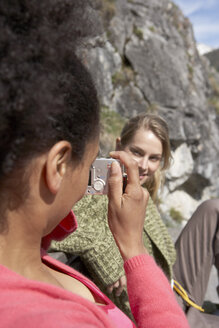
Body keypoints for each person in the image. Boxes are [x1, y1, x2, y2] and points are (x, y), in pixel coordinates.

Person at [0, 1, 189, 327]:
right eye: (89, 164)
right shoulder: (50, 318)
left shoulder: (31, 255)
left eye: (155, 158)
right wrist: (134, 250)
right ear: (58, 165)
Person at [51, 113, 219, 327]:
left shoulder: (141, 193)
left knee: (214, 209)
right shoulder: (92, 192)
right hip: (151, 306)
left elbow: (168, 257)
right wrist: (101, 248)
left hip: (170, 283)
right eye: (136, 152)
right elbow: (51, 228)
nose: (143, 165)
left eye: (154, 158)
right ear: (119, 145)